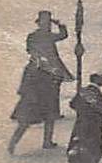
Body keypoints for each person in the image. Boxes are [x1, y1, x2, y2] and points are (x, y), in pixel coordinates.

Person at [8, 10, 73, 154]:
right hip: (38, 80)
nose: (47, 25)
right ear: (39, 23)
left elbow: (64, 35)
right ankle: (13, 143)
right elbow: (32, 53)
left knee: (50, 112)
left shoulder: (46, 36)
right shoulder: (34, 37)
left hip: (48, 78)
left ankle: (47, 141)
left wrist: (60, 24)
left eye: (49, 23)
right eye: (45, 23)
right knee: (27, 116)